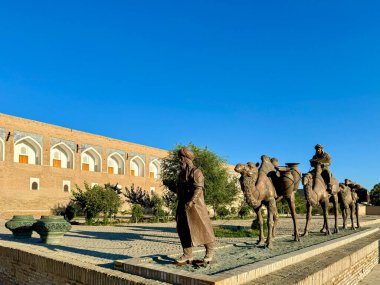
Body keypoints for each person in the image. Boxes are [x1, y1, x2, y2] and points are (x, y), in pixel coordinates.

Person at [163, 148, 215, 265]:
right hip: (182, 205)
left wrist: (191, 201)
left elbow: (198, 188)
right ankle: (187, 254)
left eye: (181, 158)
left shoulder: (196, 172)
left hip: (196, 206)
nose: (180, 161)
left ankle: (210, 252)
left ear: (186, 159)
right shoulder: (181, 174)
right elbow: (179, 190)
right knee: (183, 230)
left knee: (203, 228)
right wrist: (170, 185)